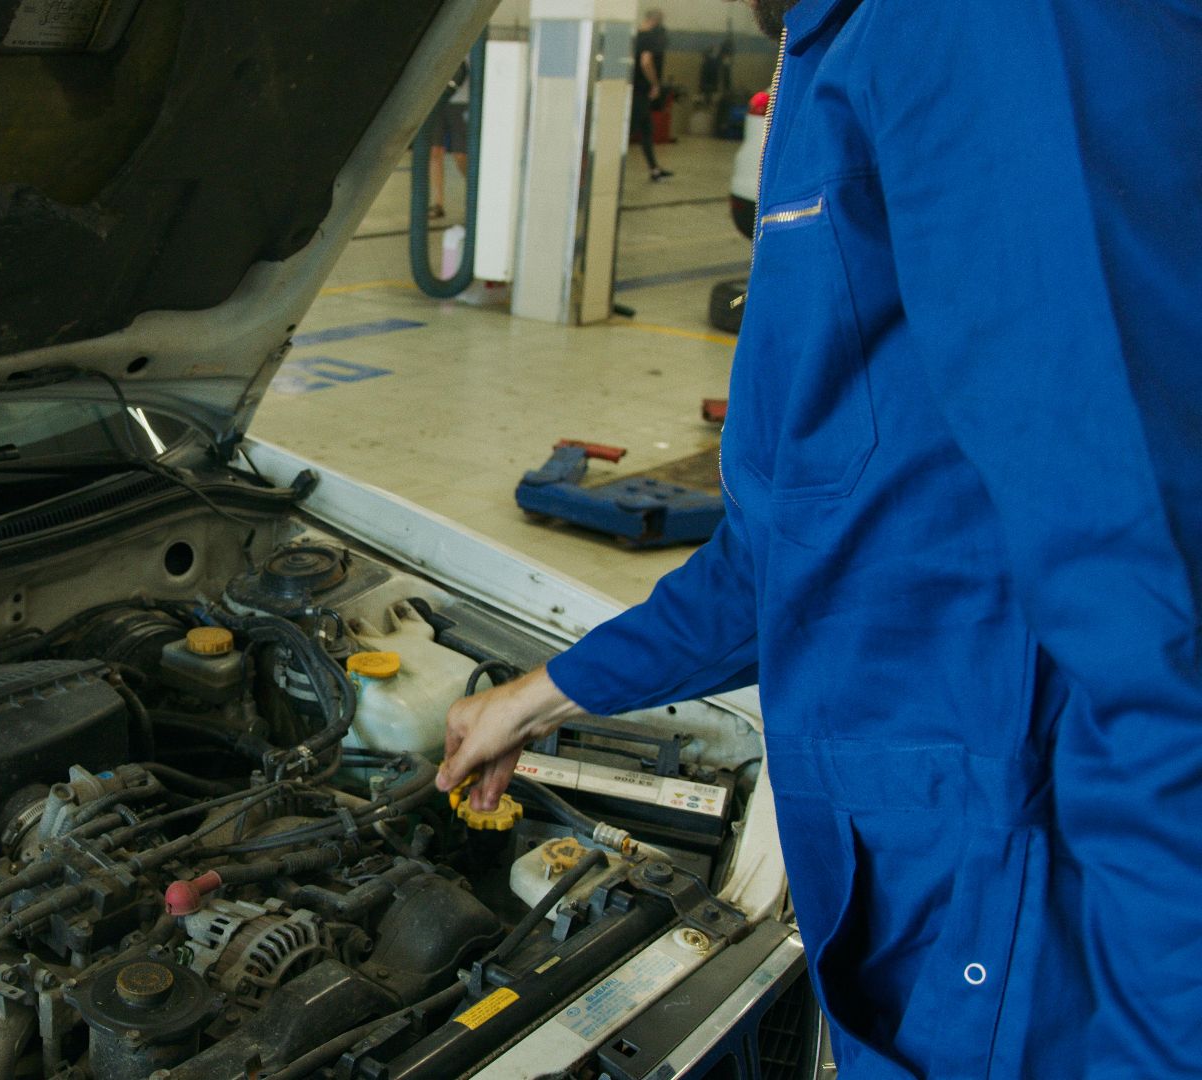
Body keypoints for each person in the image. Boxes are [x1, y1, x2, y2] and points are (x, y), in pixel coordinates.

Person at [439, 0, 1202, 1076]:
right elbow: (787, 539)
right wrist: (543, 695)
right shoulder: (830, 38)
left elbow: (1159, 615)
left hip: (1025, 905)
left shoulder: (995, 25)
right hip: (908, 878)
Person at [631, 9, 672, 181]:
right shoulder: (649, 37)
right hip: (640, 91)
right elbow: (646, 61)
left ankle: (654, 169)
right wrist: (654, 83)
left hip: (636, 89)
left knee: (647, 130)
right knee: (632, 128)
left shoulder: (635, 35)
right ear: (655, 20)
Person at [427, 63, 469, 220]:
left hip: (461, 99)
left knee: (460, 155)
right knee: (435, 151)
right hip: (436, 99)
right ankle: (438, 204)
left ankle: (473, 192)